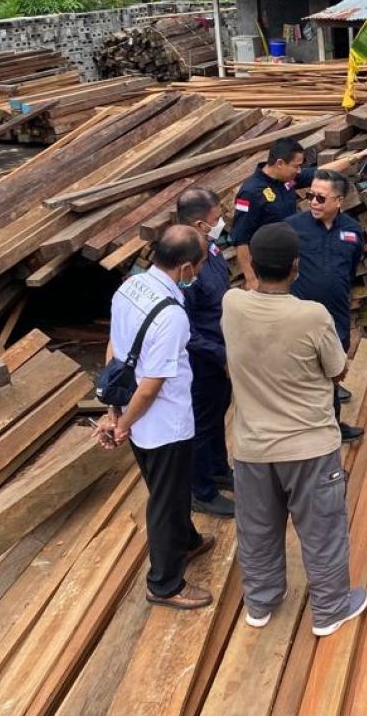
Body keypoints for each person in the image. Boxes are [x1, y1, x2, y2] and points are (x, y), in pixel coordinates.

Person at [221, 222, 367, 634]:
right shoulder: (312, 315)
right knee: (322, 529)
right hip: (310, 447)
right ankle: (330, 609)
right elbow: (338, 370)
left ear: (251, 262)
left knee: (257, 528)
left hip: (252, 447)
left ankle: (261, 603)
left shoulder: (232, 304)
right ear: (296, 267)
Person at [94, 225, 214, 610]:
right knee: (166, 500)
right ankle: (165, 584)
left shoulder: (128, 287)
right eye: (198, 264)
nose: (198, 271)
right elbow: (151, 385)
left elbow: (115, 351)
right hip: (164, 424)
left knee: (167, 491)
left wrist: (115, 414)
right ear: (183, 267)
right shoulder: (172, 315)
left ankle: (188, 541)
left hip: (137, 416)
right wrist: (123, 425)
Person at [286, 170, 366, 443]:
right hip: (299, 317)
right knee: (299, 371)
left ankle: (332, 425)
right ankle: (299, 428)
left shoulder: (353, 231)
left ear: (339, 201)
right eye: (310, 196)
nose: (314, 202)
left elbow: (352, 268)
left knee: (333, 370)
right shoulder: (292, 227)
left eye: (321, 197)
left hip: (336, 315)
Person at [230, 138, 367, 291]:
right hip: (269, 267)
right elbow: (240, 239)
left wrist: (354, 158)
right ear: (280, 163)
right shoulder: (250, 192)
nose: (298, 171)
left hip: (291, 263)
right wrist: (251, 279)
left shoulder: (288, 178)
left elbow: (321, 172)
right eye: (296, 166)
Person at [176, 187, 235, 519]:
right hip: (201, 360)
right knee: (200, 423)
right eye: (216, 219)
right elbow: (184, 330)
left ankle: (218, 468)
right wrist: (219, 355)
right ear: (199, 223)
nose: (220, 222)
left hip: (220, 352)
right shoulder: (184, 268)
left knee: (217, 414)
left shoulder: (210, 248)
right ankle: (202, 490)